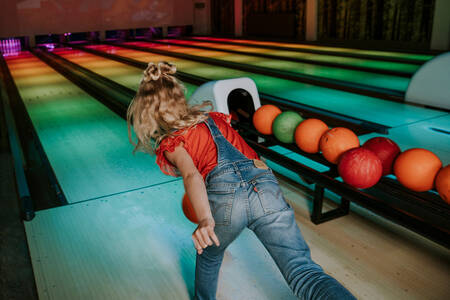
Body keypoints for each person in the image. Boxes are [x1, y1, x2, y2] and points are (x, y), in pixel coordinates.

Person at [127, 62, 357, 300]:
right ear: (181, 98)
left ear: (149, 113)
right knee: (304, 272)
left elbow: (191, 174)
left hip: (226, 198)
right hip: (265, 184)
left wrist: (206, 218)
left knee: (209, 256)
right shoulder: (213, 119)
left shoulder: (171, 141)